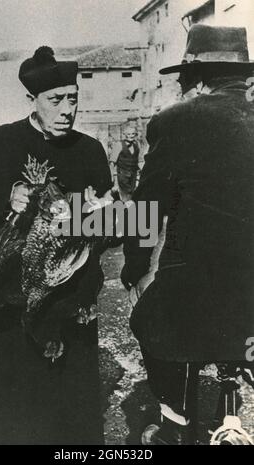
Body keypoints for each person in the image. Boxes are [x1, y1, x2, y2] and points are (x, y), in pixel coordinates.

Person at [0, 46, 112, 445]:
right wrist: (5, 198)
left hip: (71, 298)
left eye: (72, 100)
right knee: (9, 411)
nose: (66, 111)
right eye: (55, 100)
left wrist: (107, 213)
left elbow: (112, 226)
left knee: (70, 414)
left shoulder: (90, 150)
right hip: (9, 301)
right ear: (32, 100)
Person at [121, 25, 254, 445]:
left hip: (197, 281)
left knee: (150, 320)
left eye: (182, 76)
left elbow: (146, 209)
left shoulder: (176, 121)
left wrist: (135, 269)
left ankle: (175, 420)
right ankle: (229, 413)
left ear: (198, 78)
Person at [110, 124, 141, 201]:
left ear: (136, 134)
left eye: (133, 134)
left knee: (132, 196)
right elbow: (112, 163)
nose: (131, 136)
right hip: (122, 176)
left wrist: (138, 177)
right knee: (124, 198)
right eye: (129, 134)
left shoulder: (136, 145)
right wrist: (114, 181)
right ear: (124, 134)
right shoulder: (119, 145)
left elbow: (138, 161)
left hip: (133, 176)